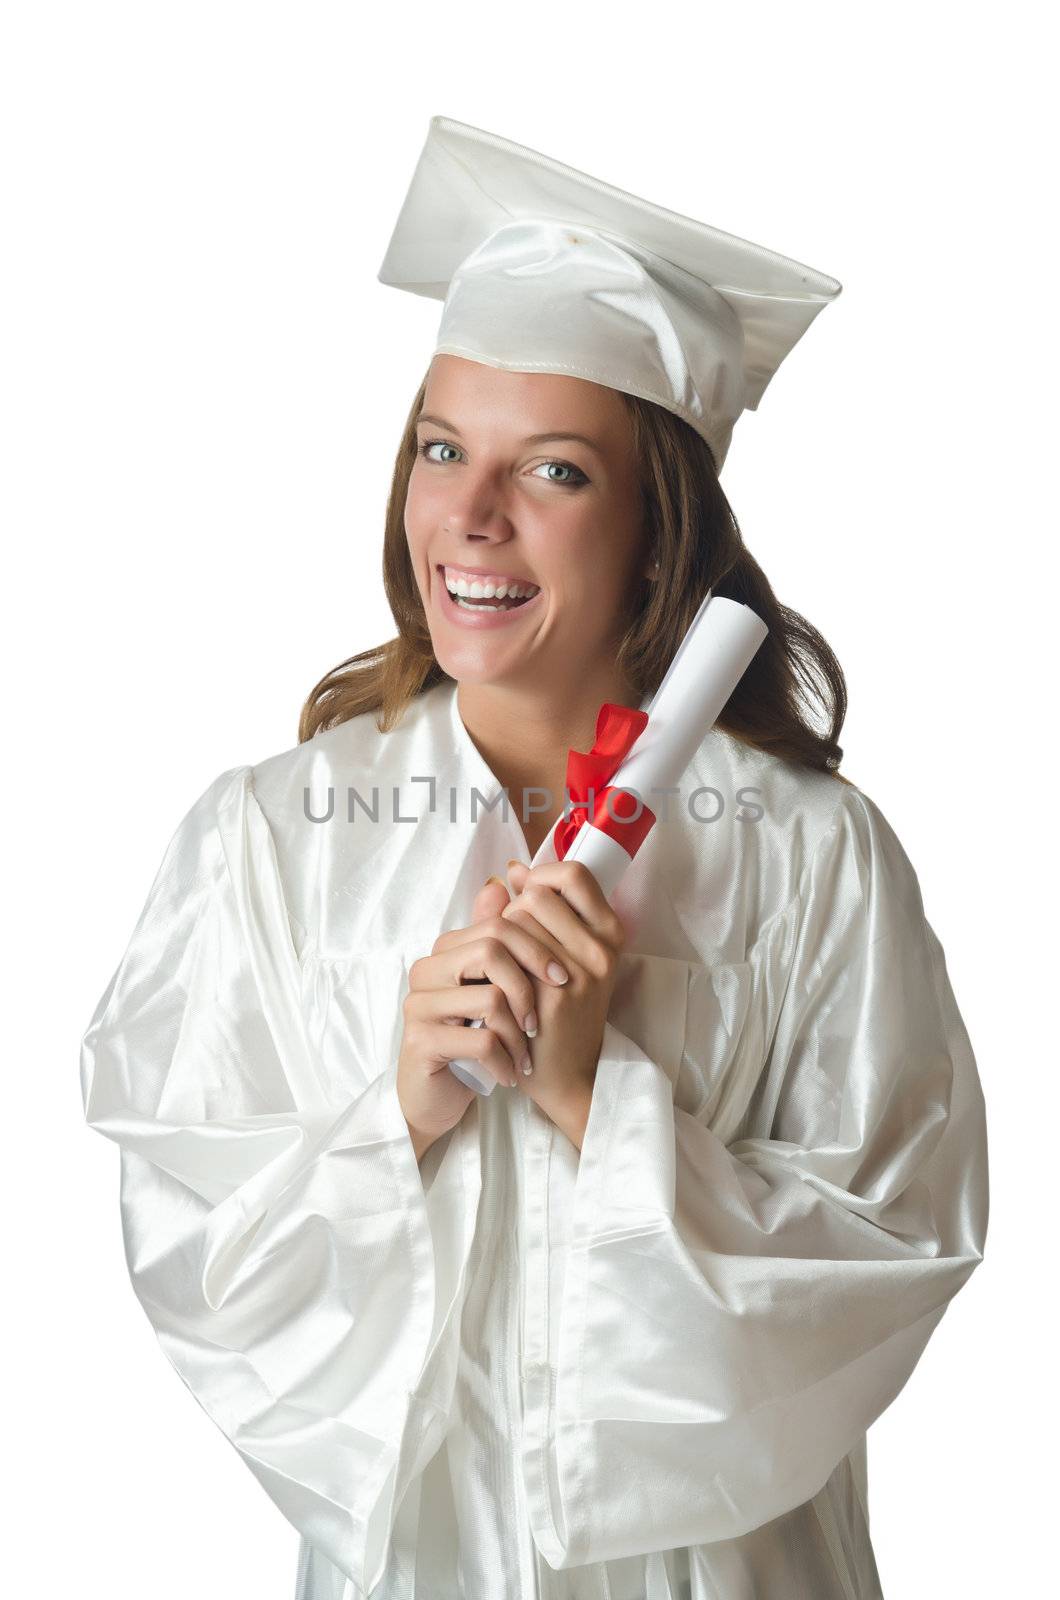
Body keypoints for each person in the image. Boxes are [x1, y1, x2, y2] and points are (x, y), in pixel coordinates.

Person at [80, 116, 989, 1600]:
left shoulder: (813, 858)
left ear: (655, 531)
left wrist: (592, 1097)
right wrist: (402, 1109)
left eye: (554, 470)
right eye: (443, 448)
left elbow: (886, 1259)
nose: (470, 515)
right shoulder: (268, 841)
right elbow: (200, 1257)